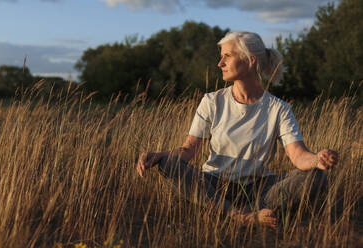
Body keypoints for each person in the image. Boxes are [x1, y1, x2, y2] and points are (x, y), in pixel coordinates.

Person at [136, 31, 338, 228]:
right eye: (220, 57)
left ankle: (227, 211)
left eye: (227, 56)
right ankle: (238, 214)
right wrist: (161, 155)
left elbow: (298, 155)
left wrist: (317, 159)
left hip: (258, 188)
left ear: (250, 61)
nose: (220, 63)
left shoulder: (279, 109)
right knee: (169, 164)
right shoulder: (211, 101)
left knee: (316, 178)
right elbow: (190, 150)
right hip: (213, 184)